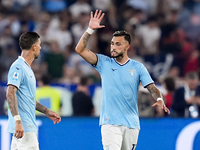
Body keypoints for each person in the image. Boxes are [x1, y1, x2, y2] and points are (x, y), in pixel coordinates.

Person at [75, 10, 170, 150]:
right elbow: (80, 49)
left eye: (118, 44)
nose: (113, 47)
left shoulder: (138, 67)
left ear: (127, 47)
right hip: (110, 123)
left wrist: (159, 99)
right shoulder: (103, 62)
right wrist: (90, 30)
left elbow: (152, 87)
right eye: (112, 43)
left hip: (131, 123)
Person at [6, 32, 61, 150]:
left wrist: (46, 111)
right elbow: (10, 93)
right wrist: (18, 121)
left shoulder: (26, 68)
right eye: (39, 44)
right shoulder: (18, 67)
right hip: (24, 128)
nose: (40, 48)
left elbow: (28, 99)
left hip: (22, 129)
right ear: (34, 47)